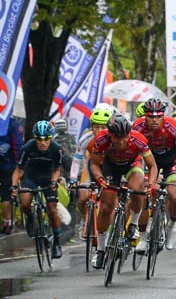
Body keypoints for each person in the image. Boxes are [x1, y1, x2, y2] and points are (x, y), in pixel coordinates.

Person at [88, 113, 158, 269]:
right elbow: (93, 164)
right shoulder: (101, 139)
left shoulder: (138, 139)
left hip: (133, 164)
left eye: (124, 137)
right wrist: (99, 178)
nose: (121, 141)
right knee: (106, 207)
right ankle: (100, 250)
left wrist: (150, 184)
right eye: (116, 138)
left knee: (136, 189)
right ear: (110, 135)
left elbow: (152, 165)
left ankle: (133, 224)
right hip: (111, 166)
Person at [132, 97, 176, 252]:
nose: (154, 120)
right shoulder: (138, 126)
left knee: (174, 195)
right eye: (150, 116)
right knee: (146, 192)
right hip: (150, 160)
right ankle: (144, 233)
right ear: (145, 116)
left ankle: (172, 224)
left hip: (171, 160)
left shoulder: (171, 125)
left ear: (163, 115)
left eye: (158, 116)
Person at [10, 121, 65, 258]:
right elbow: (18, 170)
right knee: (24, 202)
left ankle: (57, 242)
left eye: (46, 139)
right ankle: (30, 218)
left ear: (51, 138)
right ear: (35, 138)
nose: (43, 142)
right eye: (39, 139)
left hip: (48, 177)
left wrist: (53, 181)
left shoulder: (56, 148)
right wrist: (14, 185)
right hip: (31, 177)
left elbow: (57, 170)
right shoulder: (28, 147)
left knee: (52, 209)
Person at [69, 103, 115, 241]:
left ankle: (110, 231)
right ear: (91, 126)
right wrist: (72, 179)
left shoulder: (116, 138)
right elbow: (77, 159)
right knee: (83, 197)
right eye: (96, 126)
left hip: (110, 167)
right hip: (92, 167)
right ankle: (85, 220)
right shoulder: (86, 138)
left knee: (111, 203)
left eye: (104, 127)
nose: (100, 130)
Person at [1, 117, 24, 234]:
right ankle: (7, 223)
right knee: (6, 195)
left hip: (6, 164)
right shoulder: (11, 123)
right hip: (7, 165)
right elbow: (17, 145)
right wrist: (18, 165)